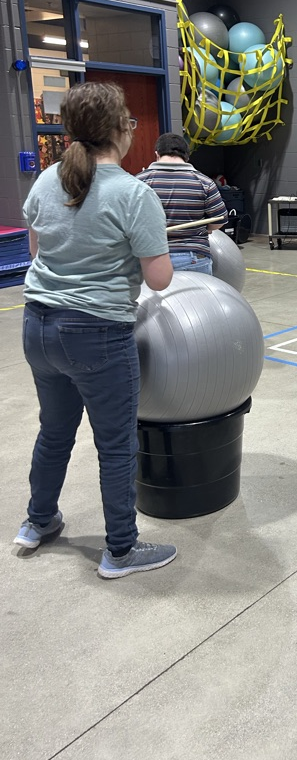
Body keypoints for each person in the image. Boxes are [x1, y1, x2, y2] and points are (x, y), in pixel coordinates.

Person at [15, 82, 178, 579]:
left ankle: (37, 522)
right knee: (116, 445)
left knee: (54, 431)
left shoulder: (47, 180)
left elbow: (37, 252)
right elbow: (159, 279)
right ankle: (121, 551)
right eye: (129, 121)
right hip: (96, 335)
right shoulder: (133, 193)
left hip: (38, 326)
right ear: (119, 129)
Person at [137, 133, 228, 274]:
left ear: (157, 154)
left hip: (152, 259)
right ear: (186, 156)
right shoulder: (205, 182)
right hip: (194, 258)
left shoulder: (138, 182)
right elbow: (219, 221)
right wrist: (206, 228)